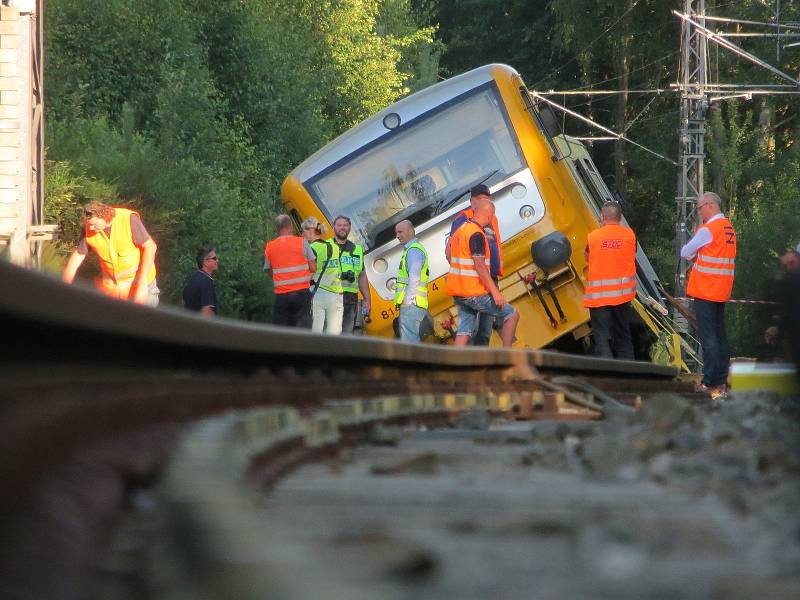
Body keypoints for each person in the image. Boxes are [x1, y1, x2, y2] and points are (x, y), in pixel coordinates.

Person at [680, 192, 737, 396]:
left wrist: (696, 247)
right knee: (720, 337)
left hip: (706, 289)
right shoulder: (728, 228)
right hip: (721, 289)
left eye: (699, 207)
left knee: (709, 338)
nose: (699, 211)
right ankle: (721, 380)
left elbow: (685, 252)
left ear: (710, 205)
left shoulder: (709, 229)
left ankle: (709, 381)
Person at [446, 199, 519, 347]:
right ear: (489, 215)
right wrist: (495, 293)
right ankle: (507, 356)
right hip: (474, 293)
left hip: (459, 293)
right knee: (511, 314)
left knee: (464, 329)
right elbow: (480, 266)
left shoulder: (460, 230)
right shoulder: (476, 234)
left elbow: (448, 254)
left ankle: (454, 365)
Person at [62, 200, 159, 306]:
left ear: (104, 216)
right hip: (115, 290)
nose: (91, 227)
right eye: (89, 224)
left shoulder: (128, 219)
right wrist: (65, 284)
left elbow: (150, 247)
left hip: (142, 286)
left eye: (94, 224)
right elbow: (79, 254)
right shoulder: (89, 227)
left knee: (145, 320)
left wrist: (142, 285)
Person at [447, 184, 503, 345]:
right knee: (475, 329)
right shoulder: (462, 220)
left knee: (483, 330)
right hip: (473, 284)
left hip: (488, 279)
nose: (483, 202)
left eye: (487, 199)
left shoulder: (491, 218)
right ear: (472, 202)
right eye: (479, 199)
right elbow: (450, 252)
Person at [583, 201, 637, 359]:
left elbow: (587, 257)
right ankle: (629, 375)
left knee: (602, 338)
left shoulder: (593, 237)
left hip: (599, 298)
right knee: (623, 337)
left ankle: (608, 375)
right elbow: (632, 253)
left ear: (602, 217)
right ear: (620, 217)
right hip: (622, 296)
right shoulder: (629, 235)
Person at [264, 214, 316, 328]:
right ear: (290, 226)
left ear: (277, 229)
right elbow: (313, 268)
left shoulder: (270, 246)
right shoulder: (302, 242)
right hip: (302, 294)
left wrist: (280, 278)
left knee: (282, 331)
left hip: (281, 296)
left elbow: (268, 269)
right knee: (303, 330)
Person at [302, 216, 343, 334]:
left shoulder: (310, 249)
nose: (302, 234)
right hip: (336, 294)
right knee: (334, 334)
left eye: (303, 231)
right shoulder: (334, 247)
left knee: (316, 333)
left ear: (310, 230)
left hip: (318, 293)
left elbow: (308, 273)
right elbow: (337, 270)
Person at [764, 243, 800, 379]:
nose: (789, 267)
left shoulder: (794, 282)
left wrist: (778, 328)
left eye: (791, 263)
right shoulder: (793, 281)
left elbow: (795, 314)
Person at [332, 215, 371, 334]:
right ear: (333, 227)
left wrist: (367, 300)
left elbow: (362, 276)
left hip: (350, 299)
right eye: (339, 225)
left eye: (345, 225)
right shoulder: (326, 247)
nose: (342, 228)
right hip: (331, 298)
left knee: (347, 335)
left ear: (349, 228)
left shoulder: (357, 250)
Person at [394, 219, 429, 343]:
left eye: (400, 232)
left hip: (412, 305)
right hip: (415, 304)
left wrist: (407, 302)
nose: (397, 236)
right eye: (396, 233)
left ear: (411, 231)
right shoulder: (411, 250)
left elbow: (414, 277)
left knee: (409, 344)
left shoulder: (413, 251)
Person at [183, 247, 219, 317]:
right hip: (200, 326)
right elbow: (207, 311)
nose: (217, 260)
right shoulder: (206, 281)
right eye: (214, 258)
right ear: (205, 262)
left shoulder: (193, 277)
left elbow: (184, 301)